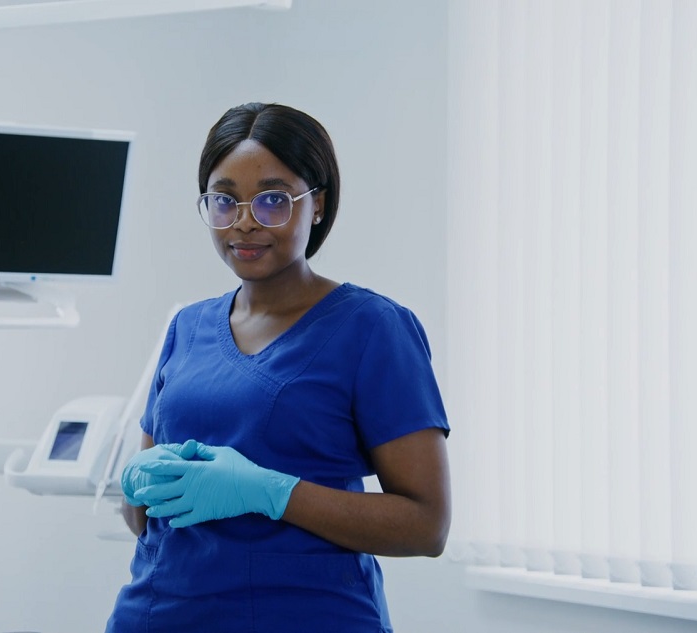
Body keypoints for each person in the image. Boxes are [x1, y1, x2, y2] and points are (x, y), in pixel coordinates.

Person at [104, 102, 450, 633]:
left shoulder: (372, 328)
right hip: (158, 614)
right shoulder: (187, 328)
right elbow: (146, 520)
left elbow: (426, 526)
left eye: (272, 199)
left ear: (317, 205)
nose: (244, 222)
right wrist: (135, 487)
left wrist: (270, 491)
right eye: (225, 200)